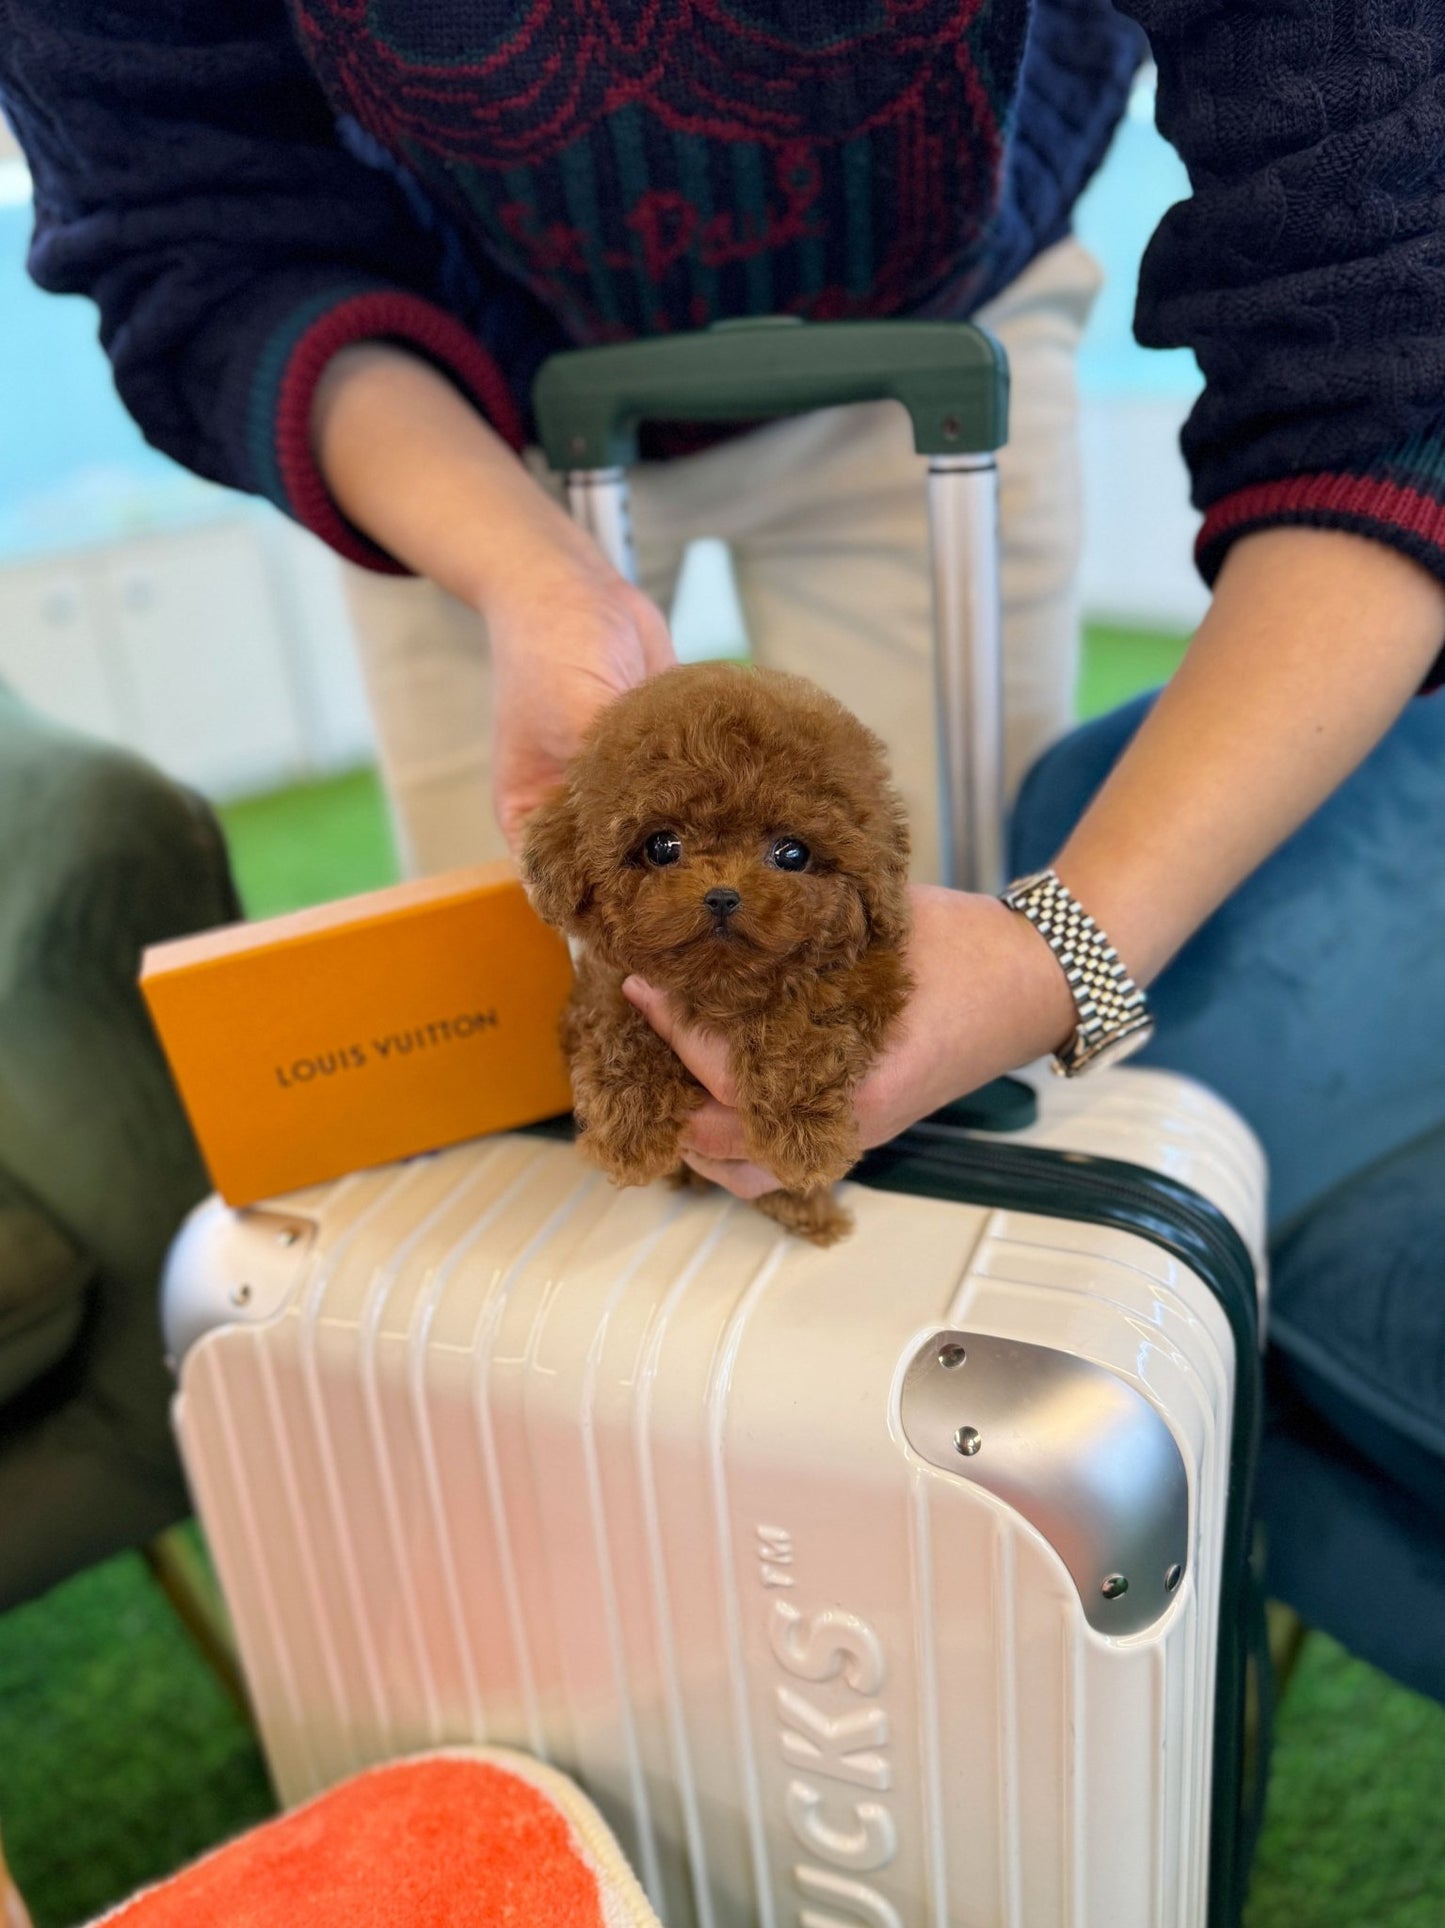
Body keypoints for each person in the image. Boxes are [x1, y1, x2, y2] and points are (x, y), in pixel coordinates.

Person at [2, 0, 1443, 1210]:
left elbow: (1390, 346)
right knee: (525, 1031)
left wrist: (1051, 950)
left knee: (932, 984)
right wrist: (518, 568)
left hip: (940, 312)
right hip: (451, 392)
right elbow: (188, 224)